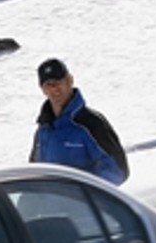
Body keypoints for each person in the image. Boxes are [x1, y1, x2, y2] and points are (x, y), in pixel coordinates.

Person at [29, 57, 129, 186]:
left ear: (70, 81)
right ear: (43, 90)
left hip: (83, 204)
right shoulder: (43, 130)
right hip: (48, 205)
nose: (55, 89)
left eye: (59, 82)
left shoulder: (91, 123)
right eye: (49, 85)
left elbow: (118, 171)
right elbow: (34, 174)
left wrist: (79, 194)